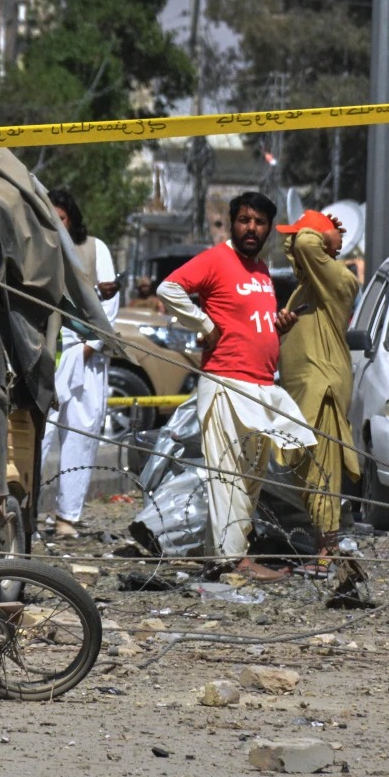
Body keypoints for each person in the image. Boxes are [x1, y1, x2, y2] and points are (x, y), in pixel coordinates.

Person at [157, 191, 316, 579]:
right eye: (244, 220)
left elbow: (252, 323)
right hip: (226, 383)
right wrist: (205, 325)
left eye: (259, 223)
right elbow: (169, 289)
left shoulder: (261, 269)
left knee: (250, 477)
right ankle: (235, 561)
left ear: (267, 230)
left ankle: (226, 556)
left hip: (260, 386)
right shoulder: (216, 259)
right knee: (227, 475)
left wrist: (277, 327)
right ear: (232, 221)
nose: (251, 228)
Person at [277, 210, 362, 567]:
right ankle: (322, 541)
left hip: (322, 386)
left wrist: (324, 233)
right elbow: (297, 245)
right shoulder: (304, 290)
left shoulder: (339, 280)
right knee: (308, 469)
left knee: (323, 468)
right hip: (302, 391)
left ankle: (326, 551)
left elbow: (304, 243)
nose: (292, 243)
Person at [41, 188, 120, 539]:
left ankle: (66, 517)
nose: (55, 224)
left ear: (70, 219)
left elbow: (108, 301)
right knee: (39, 434)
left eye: (60, 218)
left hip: (84, 354)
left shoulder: (93, 248)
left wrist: (91, 345)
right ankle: (23, 509)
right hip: (47, 352)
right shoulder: (37, 249)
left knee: (79, 436)